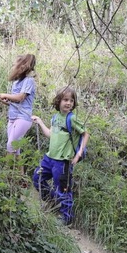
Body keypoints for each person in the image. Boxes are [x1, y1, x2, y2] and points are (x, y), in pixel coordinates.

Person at [31, 87, 89, 225]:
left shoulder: (72, 118)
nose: (68, 103)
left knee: (63, 189)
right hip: (49, 158)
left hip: (63, 162)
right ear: (59, 101)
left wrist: (79, 153)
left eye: (71, 100)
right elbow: (50, 134)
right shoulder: (55, 118)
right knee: (37, 178)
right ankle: (52, 200)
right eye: (65, 100)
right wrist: (39, 121)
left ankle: (66, 218)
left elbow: (85, 134)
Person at [0, 54, 37, 169]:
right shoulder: (15, 83)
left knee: (10, 145)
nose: (14, 66)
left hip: (23, 118)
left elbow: (20, 97)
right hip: (13, 118)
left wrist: (5, 95)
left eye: (16, 64)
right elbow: (10, 102)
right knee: (16, 149)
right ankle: (21, 178)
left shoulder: (29, 81)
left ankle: (5, 174)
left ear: (22, 66)